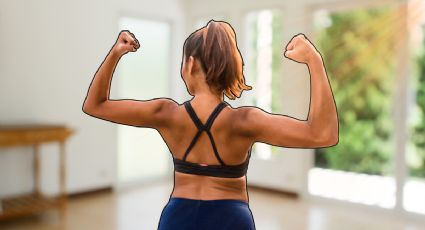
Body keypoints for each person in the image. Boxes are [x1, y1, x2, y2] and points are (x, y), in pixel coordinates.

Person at [82, 19, 339, 230]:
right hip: (230, 219)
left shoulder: (166, 113)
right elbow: (323, 134)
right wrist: (314, 61)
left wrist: (116, 52)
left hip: (178, 218)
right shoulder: (244, 121)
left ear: (190, 64)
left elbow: (95, 105)